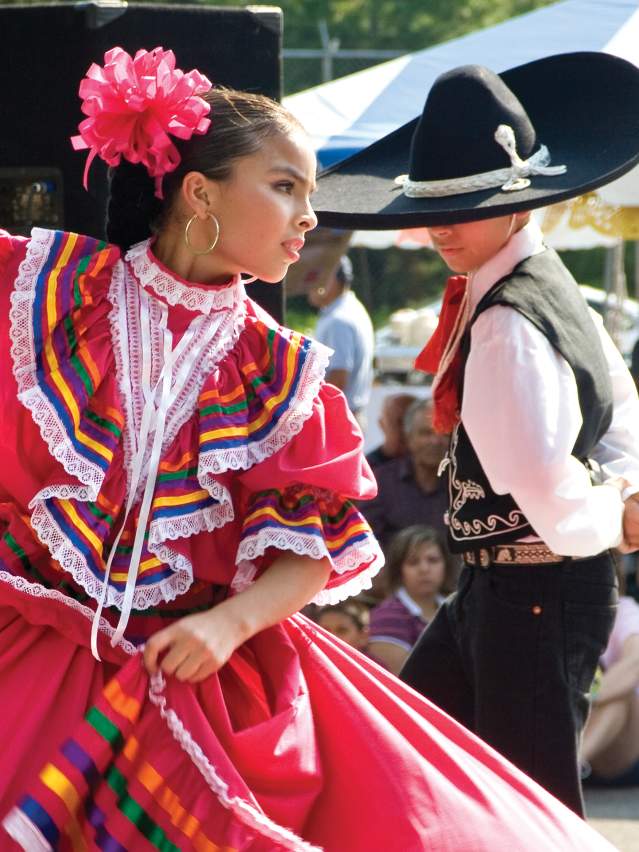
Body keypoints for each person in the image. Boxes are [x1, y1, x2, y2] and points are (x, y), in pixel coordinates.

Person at [0, 45, 618, 852]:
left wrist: (226, 627)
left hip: (194, 675)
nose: (307, 218)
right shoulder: (46, 291)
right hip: (34, 650)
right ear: (198, 193)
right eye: (285, 186)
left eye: (310, 194)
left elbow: (310, 550)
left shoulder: (278, 370)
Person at [312, 52, 639, 817]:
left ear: (519, 201)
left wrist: (611, 510)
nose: (437, 228)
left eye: (461, 205)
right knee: (410, 752)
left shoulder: (504, 322)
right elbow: (618, 397)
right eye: (432, 205)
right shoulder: (537, 283)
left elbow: (541, 483)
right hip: (508, 586)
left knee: (526, 800)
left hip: (536, 586)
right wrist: (622, 489)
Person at [359, 397, 449, 550]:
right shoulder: (380, 483)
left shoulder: (464, 486)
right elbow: (367, 543)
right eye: (425, 433)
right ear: (409, 438)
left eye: (442, 433)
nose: (435, 441)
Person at [369, 525, 454, 675]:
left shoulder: (458, 609)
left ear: (446, 565)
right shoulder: (387, 616)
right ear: (399, 570)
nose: (424, 569)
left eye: (433, 560)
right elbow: (403, 679)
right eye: (413, 562)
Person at [581, 583, 639, 787]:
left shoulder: (623, 609)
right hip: (569, 726)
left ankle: (571, 766)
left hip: (623, 750)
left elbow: (635, 663)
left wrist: (582, 700)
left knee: (620, 698)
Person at [307, 254, 374, 428]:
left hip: (337, 420)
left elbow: (337, 378)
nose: (308, 285)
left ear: (331, 279)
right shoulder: (352, 309)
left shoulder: (338, 320)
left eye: (314, 277)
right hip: (349, 415)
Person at [365, 391, 417, 471]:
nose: (405, 429)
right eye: (399, 422)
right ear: (382, 424)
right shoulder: (367, 467)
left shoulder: (430, 463)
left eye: (410, 422)